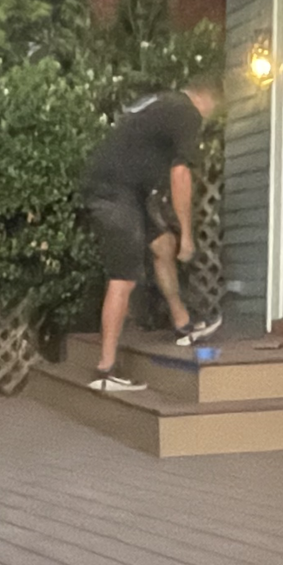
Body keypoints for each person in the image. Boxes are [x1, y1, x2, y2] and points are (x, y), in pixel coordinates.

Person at [78, 76, 222, 391]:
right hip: (115, 194)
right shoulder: (187, 113)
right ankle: (105, 370)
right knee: (124, 278)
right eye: (213, 107)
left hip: (124, 191)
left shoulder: (163, 103)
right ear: (205, 98)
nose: (211, 115)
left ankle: (183, 323)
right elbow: (180, 173)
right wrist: (188, 233)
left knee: (162, 245)